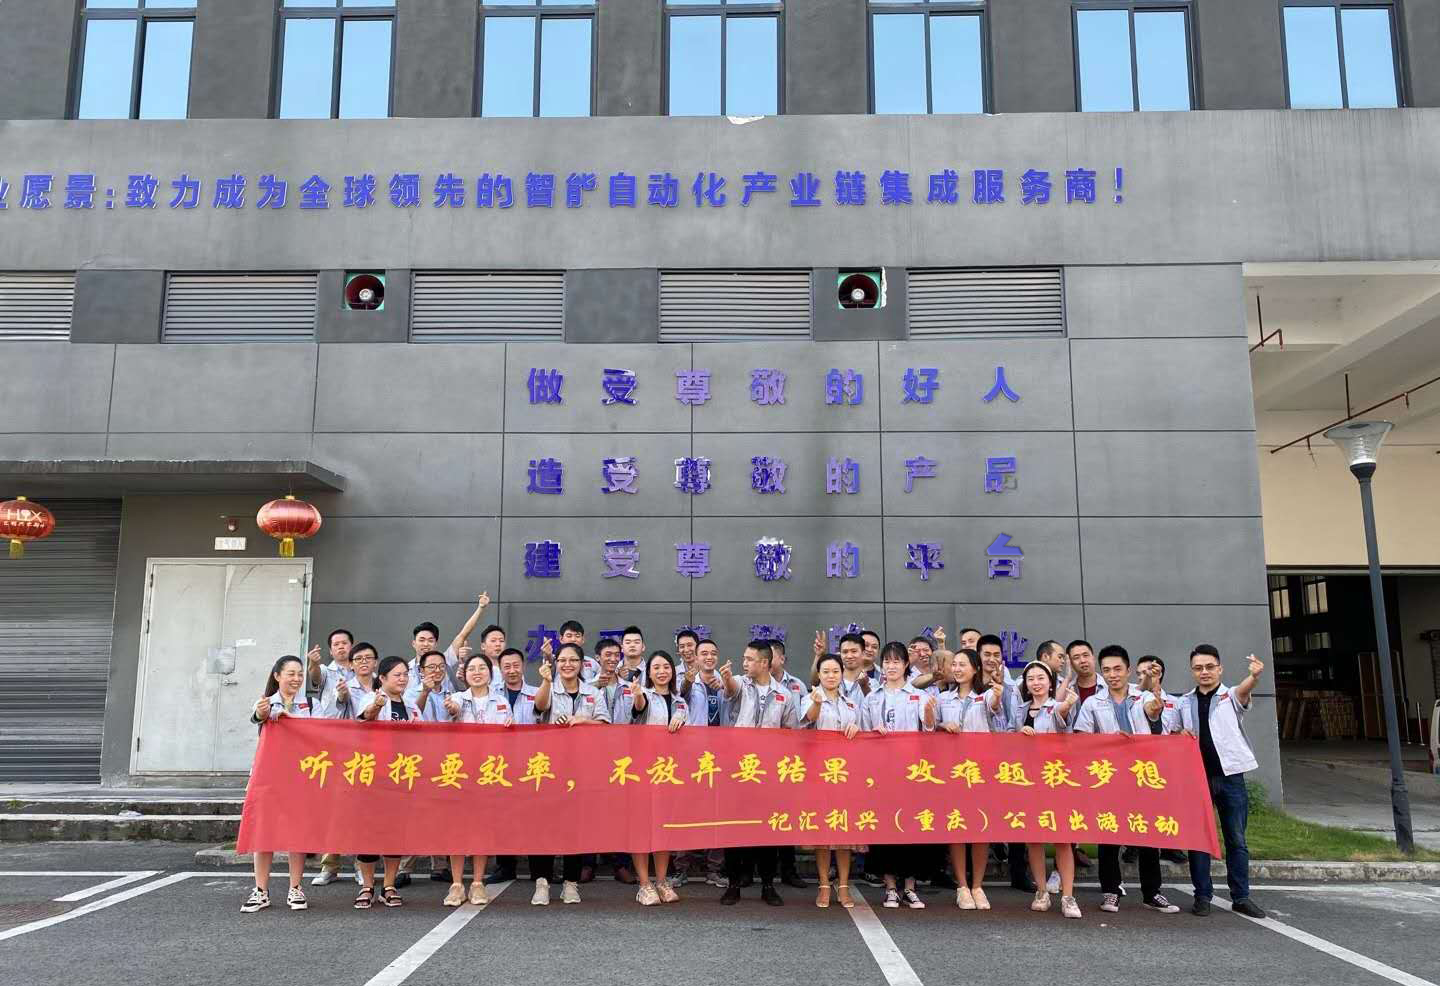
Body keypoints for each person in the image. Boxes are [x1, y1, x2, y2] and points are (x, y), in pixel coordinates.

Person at [1070, 645, 1179, 915]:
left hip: (1141, 776)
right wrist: (1108, 742)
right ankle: (1111, 891)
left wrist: (1155, 705)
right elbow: (1081, 738)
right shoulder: (1093, 703)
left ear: (1128, 670)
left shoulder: (1143, 697)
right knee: (1108, 835)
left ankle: (1152, 892)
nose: (1112, 675)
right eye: (1106, 670)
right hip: (1109, 777)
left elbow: (1153, 713)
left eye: (1117, 669)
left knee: (1147, 834)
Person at [1172, 645, 1267, 919]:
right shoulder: (1184, 702)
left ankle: (1241, 897)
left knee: (1236, 838)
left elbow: (1243, 692)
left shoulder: (1230, 696)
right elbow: (1173, 731)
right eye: (1198, 668)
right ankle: (1202, 896)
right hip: (1196, 778)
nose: (1204, 672)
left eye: (1209, 667)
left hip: (1230, 777)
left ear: (1220, 668)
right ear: (1192, 671)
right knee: (1199, 839)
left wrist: (1254, 676)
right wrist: (1179, 733)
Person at [719, 639, 800, 906]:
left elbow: (791, 731)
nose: (744, 663)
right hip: (740, 769)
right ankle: (733, 884)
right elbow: (730, 690)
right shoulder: (741, 683)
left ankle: (767, 885)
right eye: (744, 658)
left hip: (768, 772)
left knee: (767, 829)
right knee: (734, 827)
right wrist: (727, 679)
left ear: (764, 663)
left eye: (749, 659)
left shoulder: (784, 694)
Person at [863, 641, 937, 909]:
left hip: (912, 772)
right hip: (882, 773)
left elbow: (929, 732)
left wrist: (928, 715)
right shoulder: (872, 697)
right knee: (885, 828)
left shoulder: (919, 696)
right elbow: (863, 734)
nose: (891, 666)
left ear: (906, 664)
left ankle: (910, 887)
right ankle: (891, 887)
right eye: (887, 661)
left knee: (911, 827)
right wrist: (874, 735)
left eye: (896, 661)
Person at [438, 652, 512, 908]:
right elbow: (450, 716)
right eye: (472, 669)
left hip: (488, 773)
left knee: (482, 827)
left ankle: (478, 882)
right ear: (465, 674)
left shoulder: (501, 701)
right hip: (459, 773)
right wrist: (452, 710)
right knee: (456, 828)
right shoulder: (457, 698)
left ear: (491, 674)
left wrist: (510, 728)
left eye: (482, 668)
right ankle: (457, 884)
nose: (477, 672)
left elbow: (507, 738)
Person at [242, 655, 314, 913]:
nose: (296, 679)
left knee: (298, 833)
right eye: (290, 673)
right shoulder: (265, 702)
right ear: (277, 676)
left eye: (299, 674)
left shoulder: (311, 704)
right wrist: (264, 713)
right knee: (264, 832)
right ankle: (260, 890)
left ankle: (296, 888)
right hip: (268, 777)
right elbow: (258, 716)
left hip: (300, 777)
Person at [1010, 660, 1081, 919]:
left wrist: (1067, 705)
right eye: (1030, 679)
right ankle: (1041, 891)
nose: (1036, 683)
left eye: (1041, 678)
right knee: (1034, 838)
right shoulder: (1020, 710)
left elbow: (1063, 723)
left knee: (1062, 838)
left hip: (1055, 780)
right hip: (1027, 781)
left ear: (1050, 682)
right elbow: (1006, 739)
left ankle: (1068, 896)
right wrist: (1019, 733)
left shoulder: (1056, 706)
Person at [937, 648, 1003, 910]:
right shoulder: (943, 698)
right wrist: (942, 726)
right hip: (953, 772)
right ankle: (962, 886)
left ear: (975, 669)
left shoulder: (984, 696)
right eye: (954, 664)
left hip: (980, 772)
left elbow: (995, 707)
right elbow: (931, 728)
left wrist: (998, 695)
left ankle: (978, 885)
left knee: (980, 827)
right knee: (957, 826)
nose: (957, 668)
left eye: (963, 664)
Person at [353, 656, 420, 909]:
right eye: (397, 675)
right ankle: (367, 886)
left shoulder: (411, 705)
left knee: (395, 830)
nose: (402, 679)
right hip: (373, 775)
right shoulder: (371, 699)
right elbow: (366, 718)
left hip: (401, 775)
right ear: (382, 678)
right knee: (368, 830)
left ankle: (389, 885)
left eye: (405, 674)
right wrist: (377, 706)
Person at [628, 650, 692, 905]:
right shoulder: (644, 695)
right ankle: (644, 884)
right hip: (643, 771)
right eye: (656, 668)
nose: (662, 671)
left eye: (666, 667)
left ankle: (662, 880)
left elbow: (690, 737)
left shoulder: (680, 701)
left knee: (663, 827)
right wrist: (637, 695)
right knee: (641, 827)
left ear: (673, 671)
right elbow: (639, 708)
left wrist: (681, 723)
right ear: (649, 673)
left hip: (669, 773)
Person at [802, 653, 864, 908]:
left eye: (835, 671)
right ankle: (824, 884)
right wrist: (817, 704)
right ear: (819, 674)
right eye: (826, 672)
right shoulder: (810, 697)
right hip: (819, 773)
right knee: (823, 831)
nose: (831, 676)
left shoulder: (851, 704)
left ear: (841, 674)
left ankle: (844, 885)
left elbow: (862, 733)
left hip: (845, 774)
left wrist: (857, 730)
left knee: (843, 830)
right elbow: (807, 720)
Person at [766, 638, 811, 890]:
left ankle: (788, 870)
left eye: (771, 656)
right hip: (760, 760)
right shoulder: (749, 684)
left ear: (781, 658)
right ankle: (759, 871)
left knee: (785, 815)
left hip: (789, 761)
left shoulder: (796, 686)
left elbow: (804, 722)